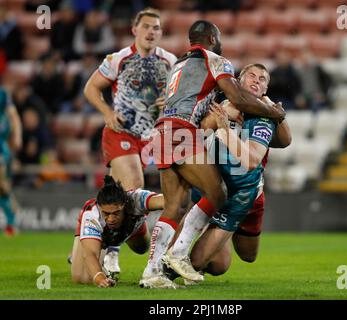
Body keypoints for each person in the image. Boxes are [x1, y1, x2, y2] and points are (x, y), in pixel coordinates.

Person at [139, 21, 285, 289]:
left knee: (175, 206)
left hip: (161, 130)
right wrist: (274, 112)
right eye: (219, 37)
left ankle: (151, 272)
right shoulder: (216, 60)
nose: (222, 42)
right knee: (217, 192)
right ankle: (179, 255)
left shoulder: (179, 65)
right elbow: (238, 98)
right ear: (211, 38)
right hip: (182, 131)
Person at [83, 8, 176, 278]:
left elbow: (180, 99)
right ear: (134, 30)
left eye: (156, 28)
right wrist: (107, 113)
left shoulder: (170, 61)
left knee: (116, 194)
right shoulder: (118, 59)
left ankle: (95, 239)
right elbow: (91, 88)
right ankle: (111, 251)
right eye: (146, 26)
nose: (151, 32)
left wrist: (169, 102)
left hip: (153, 136)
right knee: (134, 188)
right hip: (122, 133)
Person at [188, 65, 291, 277]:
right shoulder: (220, 102)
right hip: (216, 186)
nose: (256, 80)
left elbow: (285, 141)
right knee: (218, 267)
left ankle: (223, 231)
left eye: (262, 79)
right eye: (251, 76)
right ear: (238, 81)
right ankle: (182, 253)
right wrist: (223, 115)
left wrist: (276, 112)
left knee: (248, 256)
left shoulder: (265, 113)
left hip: (249, 192)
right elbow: (198, 133)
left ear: (265, 89)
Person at [70, 175, 164, 287]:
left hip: (131, 230)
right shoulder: (92, 215)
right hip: (103, 237)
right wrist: (100, 279)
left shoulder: (136, 199)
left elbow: (168, 201)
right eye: (106, 214)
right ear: (100, 208)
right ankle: (78, 255)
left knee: (142, 248)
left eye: (116, 213)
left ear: (125, 205)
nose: (111, 219)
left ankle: (133, 229)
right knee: (83, 277)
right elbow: (90, 254)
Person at [0, 87, 22, 236]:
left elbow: (13, 115)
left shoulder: (2, 94)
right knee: (3, 189)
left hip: (2, 149)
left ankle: (12, 222)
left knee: (2, 184)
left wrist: (17, 136)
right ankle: (11, 222)